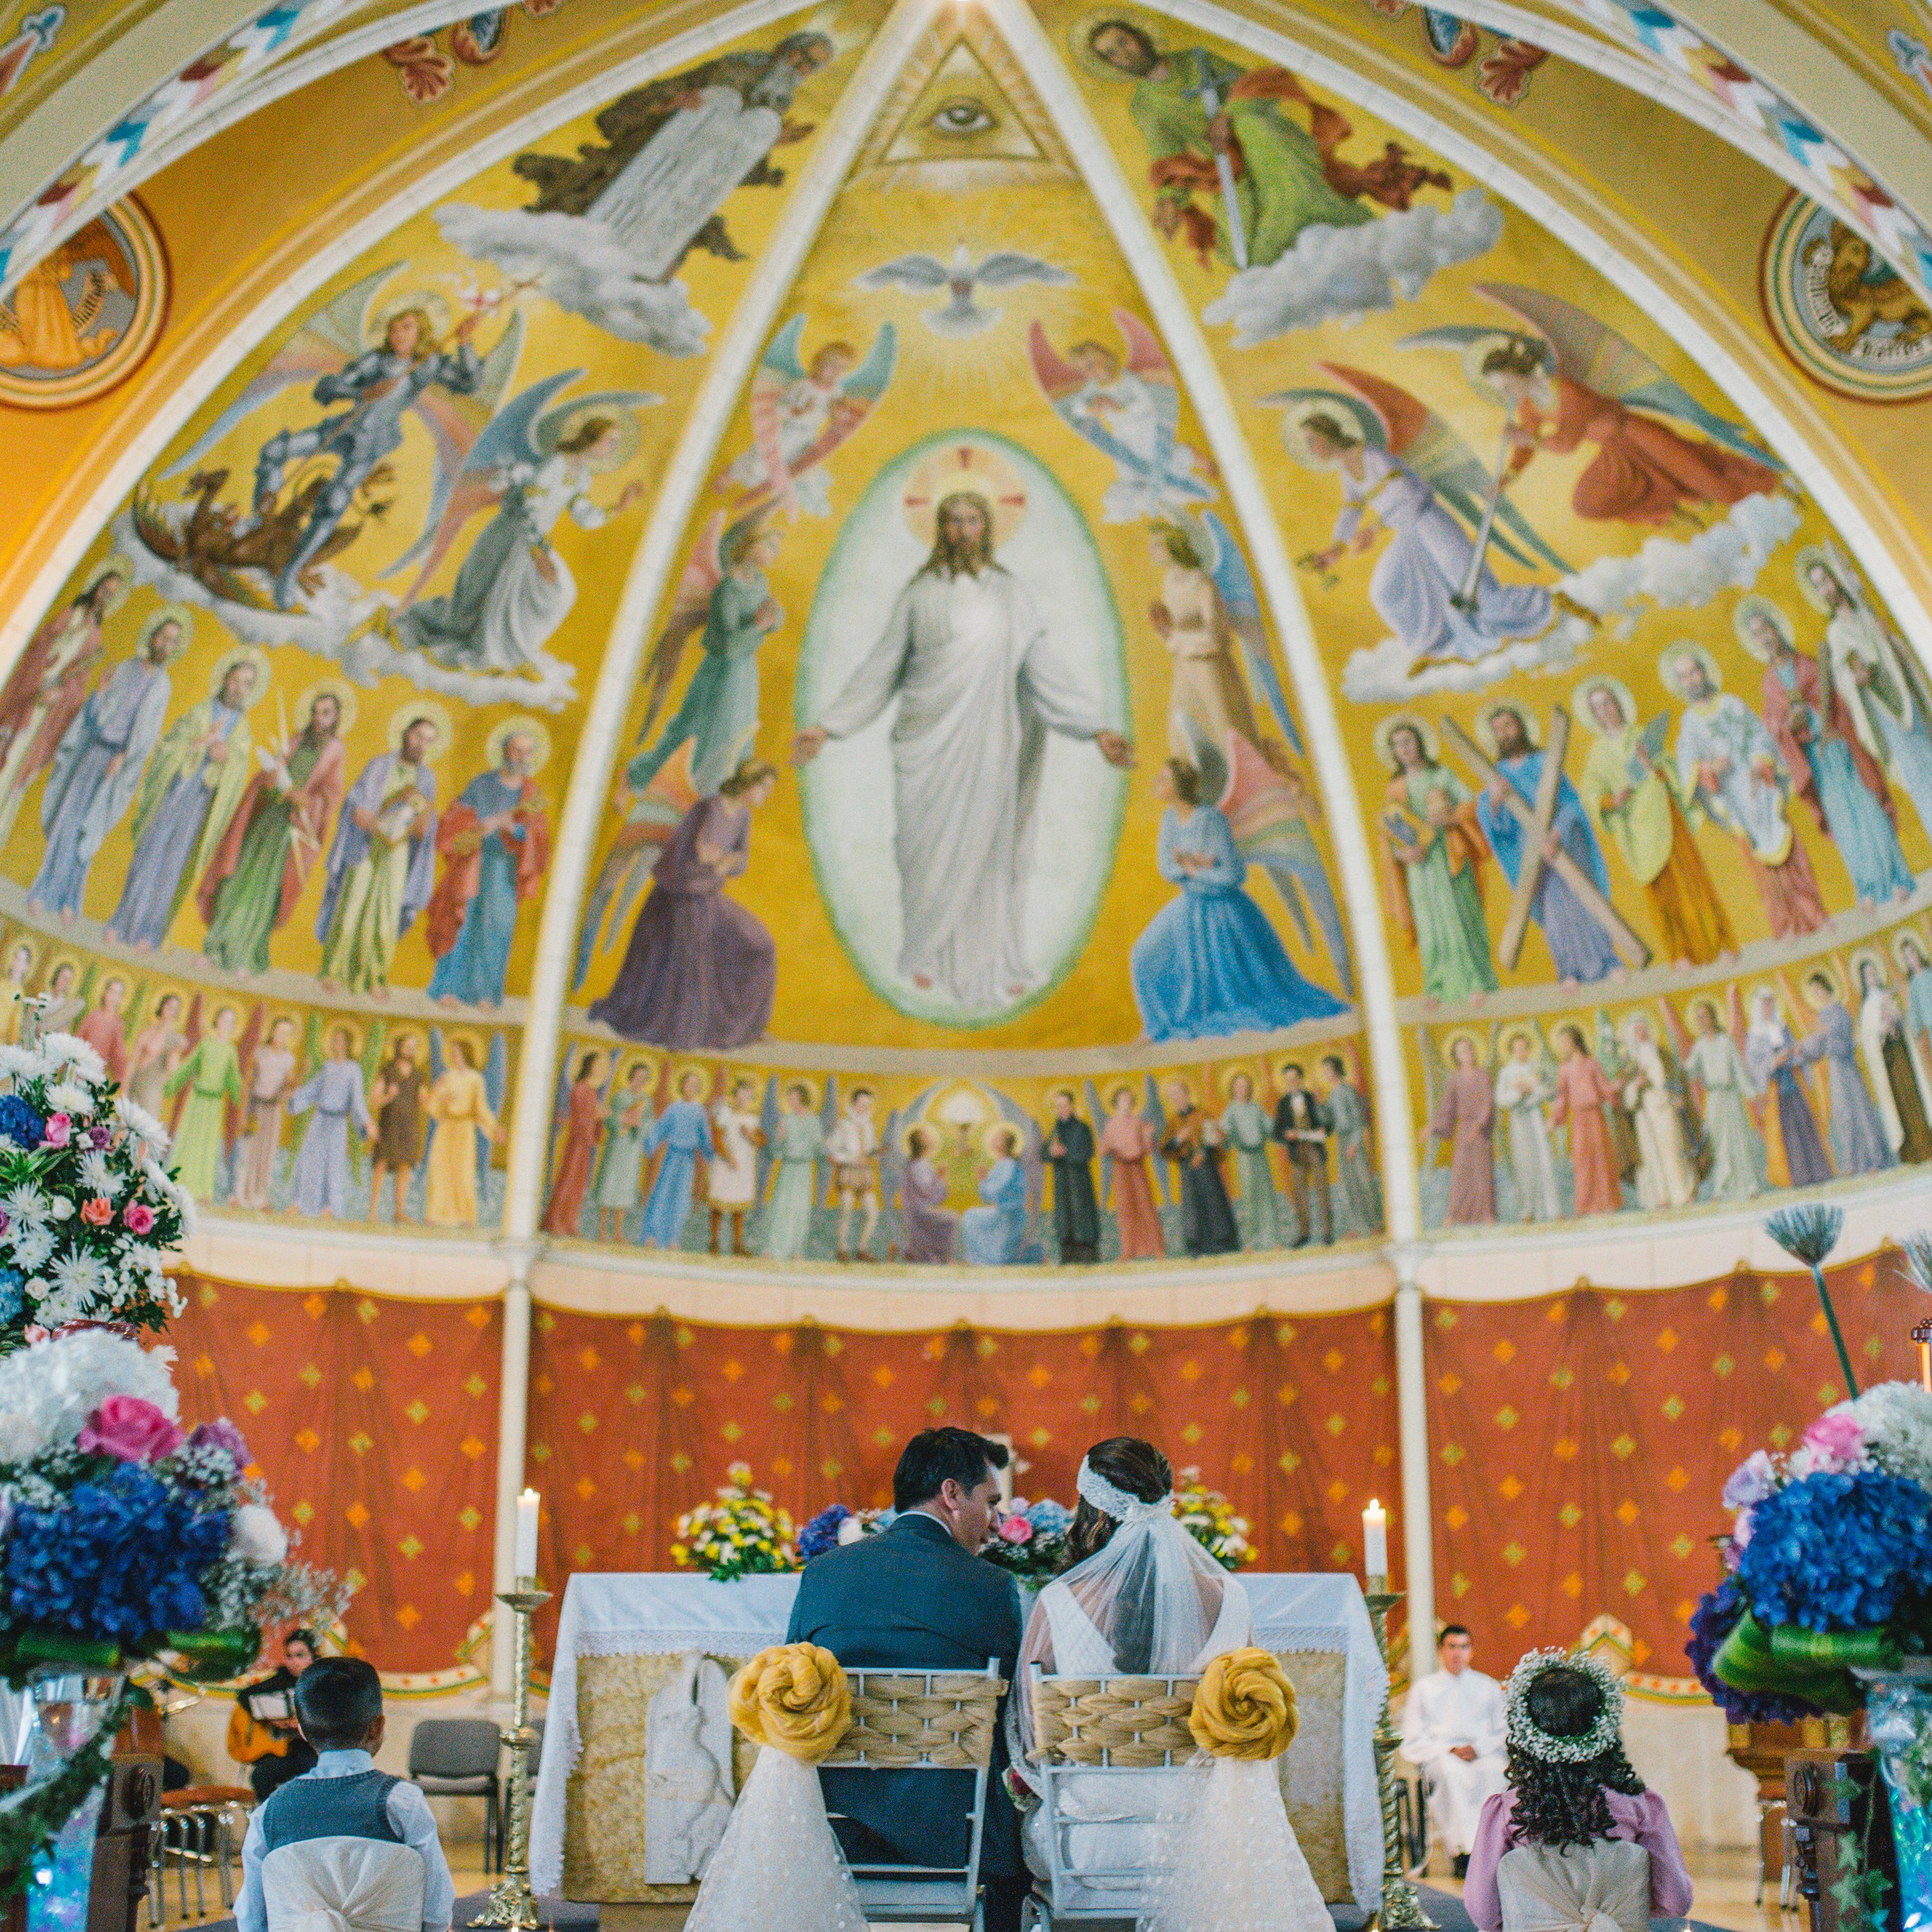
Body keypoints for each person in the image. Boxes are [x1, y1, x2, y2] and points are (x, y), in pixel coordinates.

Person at [794, 491, 1133, 1009]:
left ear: (988, 528)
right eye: (952, 521)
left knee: (988, 851)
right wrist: (828, 727)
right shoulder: (917, 595)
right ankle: (925, 953)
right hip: (926, 745)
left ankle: (993, 960)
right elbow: (881, 667)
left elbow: (1039, 665)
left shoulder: (1011, 594)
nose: (962, 531)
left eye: (972, 521)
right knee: (925, 851)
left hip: (989, 743)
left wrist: (1094, 728)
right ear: (939, 528)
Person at [1010, 1438, 1266, 1912]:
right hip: (1204, 1836)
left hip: (1089, 1843)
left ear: (1095, 1514)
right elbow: (1246, 1721)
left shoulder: (1059, 1603)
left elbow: (1032, 1738)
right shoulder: (1232, 1599)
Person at [787, 1429, 1026, 1932]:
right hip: (957, 1834)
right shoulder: (992, 1587)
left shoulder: (823, 1575)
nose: (997, 1522)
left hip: (839, 1828)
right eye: (991, 1502)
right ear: (952, 1494)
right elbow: (1013, 1719)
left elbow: (794, 1696)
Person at [254, 301, 485, 611]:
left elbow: (470, 384)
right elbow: (327, 389)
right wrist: (363, 393)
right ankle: (261, 519)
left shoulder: (427, 366)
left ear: (422, 334)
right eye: (394, 326)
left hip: (372, 443)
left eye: (406, 327)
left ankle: (290, 572)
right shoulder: (376, 361)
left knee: (334, 501)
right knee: (273, 451)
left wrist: (465, 344)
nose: (397, 332)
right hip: (342, 429)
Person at [1463, 1652, 1691, 1932]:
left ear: (1527, 1732)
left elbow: (1483, 1913)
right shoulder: (1642, 1807)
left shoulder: (1507, 1811)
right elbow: (1676, 1901)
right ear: (1604, 1728)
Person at [233, 1656, 455, 1932]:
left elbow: (251, 1917)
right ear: (377, 1727)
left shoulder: (269, 1812)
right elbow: (437, 1910)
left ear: (301, 1729)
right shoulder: (402, 1802)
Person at [1131, 757, 1345, 1040]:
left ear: (1179, 787)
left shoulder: (1211, 819)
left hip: (1224, 912)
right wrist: (1198, 865)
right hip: (1189, 907)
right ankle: (1157, 1023)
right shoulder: (1169, 819)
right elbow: (1166, 867)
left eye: (1164, 779)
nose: (1157, 783)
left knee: (1233, 987)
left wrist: (1190, 866)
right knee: (1142, 955)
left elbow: (1232, 875)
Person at [588, 760, 777, 1049]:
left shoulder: (743, 817)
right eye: (763, 788)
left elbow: (741, 860)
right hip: (679, 895)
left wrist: (725, 861)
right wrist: (709, 859)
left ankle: (748, 1026)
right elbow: (681, 852)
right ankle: (682, 1031)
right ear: (748, 784)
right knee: (693, 953)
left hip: (708, 894)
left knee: (761, 944)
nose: (766, 795)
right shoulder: (707, 808)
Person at [1743, 598, 1912, 906]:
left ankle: (1897, 878)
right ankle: (1868, 889)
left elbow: (1835, 697)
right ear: (1755, 643)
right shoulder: (1769, 684)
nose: (1765, 637)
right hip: (1815, 761)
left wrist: (1815, 714)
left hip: (1839, 747)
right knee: (1844, 823)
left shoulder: (1807, 663)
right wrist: (1788, 726)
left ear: (1776, 629)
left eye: (1766, 628)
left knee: (1869, 809)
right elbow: (1773, 723)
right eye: (1757, 634)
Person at [29, 610, 183, 919]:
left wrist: (124, 757)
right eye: (163, 636)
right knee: (67, 820)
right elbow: (96, 714)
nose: (165, 644)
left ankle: (69, 901)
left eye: (172, 641)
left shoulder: (162, 686)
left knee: (90, 828)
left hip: (116, 764)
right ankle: (43, 890)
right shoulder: (126, 668)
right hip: (91, 752)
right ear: (152, 637)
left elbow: (147, 733)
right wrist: (99, 693)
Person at [1665, 646, 1826, 940]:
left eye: (1694, 672)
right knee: (1759, 864)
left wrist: (1758, 763)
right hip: (1732, 799)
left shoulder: (1732, 705)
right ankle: (1786, 926)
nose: (1692, 680)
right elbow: (1687, 767)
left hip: (1759, 786)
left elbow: (1760, 736)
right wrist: (1709, 767)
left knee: (1791, 851)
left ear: (1705, 672)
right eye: (1684, 677)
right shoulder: (1690, 723)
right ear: (1681, 684)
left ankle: (1814, 914)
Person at [108, 650, 260, 951]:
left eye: (247, 684)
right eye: (236, 680)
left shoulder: (241, 730)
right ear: (225, 678)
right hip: (176, 792)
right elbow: (170, 745)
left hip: (202, 804)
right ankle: (122, 921)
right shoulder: (202, 712)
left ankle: (149, 933)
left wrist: (226, 758)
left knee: (174, 866)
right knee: (150, 854)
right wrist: (201, 746)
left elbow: (239, 768)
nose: (239, 688)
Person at [1577, 678, 1730, 967]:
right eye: (1598, 708)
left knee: (1693, 882)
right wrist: (1612, 801)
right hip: (1636, 830)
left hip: (1666, 815)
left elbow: (1673, 768)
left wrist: (1655, 768)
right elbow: (1591, 793)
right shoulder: (1598, 753)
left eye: (1608, 702)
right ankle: (1681, 954)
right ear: (1593, 715)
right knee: (1663, 894)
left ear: (1618, 703)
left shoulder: (1643, 735)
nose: (1605, 711)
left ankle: (1718, 944)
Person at [628, 517, 783, 797]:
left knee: (736, 729)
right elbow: (728, 642)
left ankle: (713, 789)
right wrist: (758, 626)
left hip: (744, 670)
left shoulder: (759, 581)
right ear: (749, 545)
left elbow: (773, 611)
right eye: (770, 545)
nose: (776, 552)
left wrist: (772, 619)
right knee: (701, 726)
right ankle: (675, 782)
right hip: (722, 671)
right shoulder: (729, 589)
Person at [201, 688, 348, 977]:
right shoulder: (294, 739)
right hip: (267, 819)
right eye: (316, 711)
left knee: (264, 890)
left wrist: (306, 800)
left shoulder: (335, 751)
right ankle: (215, 945)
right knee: (238, 876)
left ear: (336, 718)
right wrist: (272, 777)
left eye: (326, 713)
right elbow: (266, 777)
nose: (319, 718)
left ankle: (243, 954)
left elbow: (330, 796)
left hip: (291, 830)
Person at [1475, 703, 1619, 986]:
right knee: (1555, 913)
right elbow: (1496, 827)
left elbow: (1572, 803)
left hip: (1565, 844)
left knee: (1585, 900)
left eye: (1508, 726)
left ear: (1521, 727)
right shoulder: (1497, 776)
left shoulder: (1546, 761)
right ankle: (1569, 972)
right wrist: (1494, 803)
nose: (1504, 734)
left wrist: (1557, 832)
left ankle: (1608, 961)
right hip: (1532, 854)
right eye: (1498, 730)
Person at [1804, 548, 1932, 838]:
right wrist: (1855, 678)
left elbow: (1897, 647)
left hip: (1905, 694)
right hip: (1882, 707)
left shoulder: (1866, 611)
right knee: (1918, 777)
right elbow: (1842, 676)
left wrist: (1891, 641)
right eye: (1818, 585)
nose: (1826, 588)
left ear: (1837, 579)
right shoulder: (1836, 632)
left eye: (1826, 579)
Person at [0, 560, 125, 847]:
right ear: (95, 587)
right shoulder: (71, 613)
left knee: (19, 768)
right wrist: (41, 679)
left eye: (112, 595)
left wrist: (63, 694)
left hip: (47, 711)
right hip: (28, 700)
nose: (105, 597)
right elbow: (38, 648)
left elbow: (78, 684)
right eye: (104, 589)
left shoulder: (95, 634)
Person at [426, 724, 552, 1008]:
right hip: (473, 862)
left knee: (496, 928)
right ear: (505, 751)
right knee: (463, 921)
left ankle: (485, 994)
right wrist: (480, 826)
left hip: (505, 868)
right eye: (517, 750)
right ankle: (448, 988)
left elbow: (540, 838)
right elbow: (454, 818)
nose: (522, 757)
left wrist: (515, 831)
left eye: (528, 752)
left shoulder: (532, 794)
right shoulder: (482, 784)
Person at [317, 713, 441, 996]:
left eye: (429, 741)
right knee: (351, 906)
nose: (422, 745)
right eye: (418, 736)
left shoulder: (426, 778)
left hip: (398, 851)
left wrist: (424, 825)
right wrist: (361, 814)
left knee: (387, 913)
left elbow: (427, 818)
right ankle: (334, 972)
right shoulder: (380, 765)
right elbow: (355, 800)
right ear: (406, 733)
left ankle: (375, 977)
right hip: (365, 844)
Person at [1380, 720, 1497, 1003]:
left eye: (1408, 741)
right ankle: (1436, 985)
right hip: (1420, 867)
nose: (1404, 749)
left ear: (1419, 742)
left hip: (1449, 856)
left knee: (1460, 917)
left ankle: (1476, 982)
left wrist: (1451, 817)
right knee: (1429, 923)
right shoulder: (1395, 788)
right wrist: (1402, 854)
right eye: (1397, 744)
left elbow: (1472, 805)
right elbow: (1390, 832)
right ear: (1393, 752)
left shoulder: (1441, 775)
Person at [1401, 1625, 1506, 1878]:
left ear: (1471, 1651)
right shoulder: (1425, 1688)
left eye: (1464, 1647)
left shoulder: (1488, 1686)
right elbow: (1414, 1735)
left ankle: (1489, 1851)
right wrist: (1450, 1748)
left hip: (1482, 1754)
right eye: (1452, 1647)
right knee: (1451, 1775)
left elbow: (1503, 1731)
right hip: (1443, 1755)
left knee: (1495, 1773)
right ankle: (1461, 1853)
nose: (1457, 1653)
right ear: (1441, 1651)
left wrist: (1478, 1748)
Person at [1803, 970, 1893, 1177]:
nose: (1817, 994)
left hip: (1847, 1067)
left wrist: (1826, 1034)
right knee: (1843, 1115)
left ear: (1826, 987)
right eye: (1813, 992)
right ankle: (1854, 1161)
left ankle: (1875, 1160)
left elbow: (1845, 1044)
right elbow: (1818, 1045)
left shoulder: (1839, 1011)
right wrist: (1804, 1049)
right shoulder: (1823, 1015)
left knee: (1860, 1112)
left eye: (1818, 989)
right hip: (1835, 1071)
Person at [1744, 989, 1834, 1190]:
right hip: (1776, 1089)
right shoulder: (1754, 1036)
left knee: (1806, 1126)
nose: (1769, 1007)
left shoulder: (1782, 1027)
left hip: (1794, 1081)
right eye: (1765, 1004)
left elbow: (1796, 1050)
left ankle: (1818, 1172)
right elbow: (1753, 1066)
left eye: (1771, 1003)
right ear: (1758, 1007)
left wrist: (1793, 1053)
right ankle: (1798, 1177)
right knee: (1788, 1134)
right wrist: (1772, 1063)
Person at [288, 1026, 373, 1219]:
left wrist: (366, 1122)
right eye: (335, 1040)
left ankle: (330, 1207)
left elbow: (357, 1100)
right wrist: (295, 1099)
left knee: (333, 1165)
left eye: (341, 1041)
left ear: (348, 1045)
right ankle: (300, 1203)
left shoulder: (353, 1069)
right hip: (319, 1120)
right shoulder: (327, 1067)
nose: (337, 1044)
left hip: (338, 1123)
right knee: (308, 1160)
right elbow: (312, 1090)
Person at [1684, 1001, 1764, 1201]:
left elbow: (1738, 1071)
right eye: (1698, 1018)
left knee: (1738, 1140)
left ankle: (1749, 1186)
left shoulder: (1726, 1041)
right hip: (1714, 1099)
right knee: (1718, 1144)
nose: (1701, 1021)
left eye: (1704, 1016)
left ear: (1712, 1017)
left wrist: (1753, 1094)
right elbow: (1689, 1071)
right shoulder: (1700, 1046)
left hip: (1730, 1097)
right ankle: (1721, 1189)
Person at [228, 1629, 319, 1802]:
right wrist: (272, 1718)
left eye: (300, 1655)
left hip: (310, 1751)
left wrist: (302, 1725)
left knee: (312, 1771)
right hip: (284, 1750)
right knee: (261, 1775)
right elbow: (244, 1695)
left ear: (313, 1656)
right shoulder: (282, 1679)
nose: (294, 1662)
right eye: (289, 1656)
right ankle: (270, 1818)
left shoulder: (320, 1683)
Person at [1619, 1014, 1700, 1211]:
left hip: (1666, 1110)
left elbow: (1677, 1081)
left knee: (1674, 1151)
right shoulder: (1631, 1064)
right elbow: (1627, 1101)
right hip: (1645, 1115)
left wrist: (1675, 1095)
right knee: (1652, 1157)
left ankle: (1683, 1194)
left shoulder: (1663, 1055)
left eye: (1644, 1029)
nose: (1642, 1034)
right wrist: (1636, 1086)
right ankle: (1661, 1197)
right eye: (1637, 1031)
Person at [1856, 955, 1932, 1163]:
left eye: (1874, 973)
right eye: (1868, 975)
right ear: (1863, 980)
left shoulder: (1887, 995)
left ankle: (1928, 1145)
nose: (1873, 978)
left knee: (1915, 1096)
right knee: (1901, 1104)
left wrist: (1896, 1020)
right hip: (1889, 1063)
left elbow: (1904, 1023)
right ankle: (1913, 1152)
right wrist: (1881, 1028)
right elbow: (1868, 1039)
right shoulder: (1867, 1007)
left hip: (1903, 1055)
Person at [165, 1006, 244, 1200]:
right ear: (217, 1020)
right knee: (189, 1140)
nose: (227, 1025)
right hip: (197, 1100)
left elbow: (233, 1078)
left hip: (214, 1104)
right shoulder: (205, 1044)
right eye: (224, 1020)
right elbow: (189, 1066)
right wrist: (171, 1084)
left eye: (231, 1022)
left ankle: (202, 1190)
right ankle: (180, 1182)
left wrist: (239, 1098)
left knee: (208, 1145)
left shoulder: (230, 1051)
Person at [424, 1037, 500, 1227]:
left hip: (465, 1130)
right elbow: (432, 1107)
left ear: (466, 1055)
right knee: (439, 1169)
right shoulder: (446, 1077)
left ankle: (466, 1216)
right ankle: (435, 1214)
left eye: (457, 1053)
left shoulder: (476, 1079)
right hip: (446, 1128)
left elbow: (481, 1108)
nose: (454, 1057)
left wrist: (493, 1128)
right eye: (452, 1054)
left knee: (463, 1171)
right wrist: (438, 1095)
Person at [1162, 1075, 1238, 1256]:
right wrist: (1179, 1139)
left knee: (1214, 1204)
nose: (1177, 1099)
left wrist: (1203, 1153)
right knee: (1193, 1207)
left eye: (1179, 1094)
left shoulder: (1202, 1114)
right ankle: (1197, 1246)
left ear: (1187, 1094)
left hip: (1206, 1166)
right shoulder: (1173, 1122)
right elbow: (1165, 1147)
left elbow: (1217, 1138)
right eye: (1173, 1096)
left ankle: (1222, 1243)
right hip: (1188, 1169)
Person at [233, 1017, 299, 1212]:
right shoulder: (260, 1053)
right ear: (272, 1031)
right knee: (248, 1151)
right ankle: (239, 1195)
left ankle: (260, 1198)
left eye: (287, 1033)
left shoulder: (288, 1059)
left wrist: (292, 1086)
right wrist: (243, 1114)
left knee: (267, 1154)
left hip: (273, 1110)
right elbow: (248, 1083)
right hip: (256, 1106)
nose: (282, 1036)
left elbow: (288, 1088)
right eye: (280, 1031)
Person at [639, 1068, 709, 1249]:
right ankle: (652, 1235)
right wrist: (651, 1144)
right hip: (672, 1156)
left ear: (698, 1088)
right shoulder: (673, 1108)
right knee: (662, 1194)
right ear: (682, 1085)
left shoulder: (699, 1111)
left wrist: (710, 1154)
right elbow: (661, 1128)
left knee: (681, 1199)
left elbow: (705, 1137)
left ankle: (672, 1238)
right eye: (688, 1083)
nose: (691, 1087)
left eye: (695, 1085)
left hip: (688, 1160)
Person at [1431, 1036, 1497, 1225]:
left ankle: (1487, 1214)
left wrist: (1480, 1124)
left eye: (1469, 1049)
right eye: (1462, 1051)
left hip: (1480, 1131)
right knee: (1460, 1172)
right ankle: (1454, 1214)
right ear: (1456, 1056)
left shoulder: (1483, 1075)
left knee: (1482, 1171)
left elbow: (1487, 1102)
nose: (1467, 1053)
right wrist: (1434, 1127)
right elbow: (1447, 1108)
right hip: (1463, 1130)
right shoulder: (1454, 1079)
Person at [1494, 1031, 1559, 1222]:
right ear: (1512, 1051)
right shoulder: (1506, 1072)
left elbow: (1551, 1092)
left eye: (1524, 1048)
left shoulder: (1537, 1068)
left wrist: (1533, 1090)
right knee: (1524, 1163)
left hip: (1537, 1117)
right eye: (1517, 1049)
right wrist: (1518, 1094)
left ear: (1529, 1049)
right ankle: (1527, 1211)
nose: (1521, 1052)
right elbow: (1500, 1099)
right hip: (1519, 1120)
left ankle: (1553, 1210)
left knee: (1545, 1160)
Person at [542, 1051, 605, 1239]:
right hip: (577, 1143)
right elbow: (580, 1118)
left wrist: (598, 1120)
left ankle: (569, 1222)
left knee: (579, 1184)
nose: (602, 1069)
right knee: (568, 1180)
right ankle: (554, 1221)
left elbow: (590, 1117)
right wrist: (596, 1117)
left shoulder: (592, 1091)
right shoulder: (580, 1089)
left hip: (584, 1145)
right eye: (599, 1064)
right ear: (590, 1066)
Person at [1220, 1070, 1284, 1250]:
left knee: (1267, 1196)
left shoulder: (1256, 1108)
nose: (1243, 1090)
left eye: (1246, 1087)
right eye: (1239, 1086)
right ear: (1233, 1089)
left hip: (1260, 1156)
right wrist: (1222, 1138)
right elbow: (1224, 1134)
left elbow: (1270, 1128)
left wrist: (1282, 1125)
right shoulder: (1231, 1110)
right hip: (1245, 1158)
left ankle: (1273, 1239)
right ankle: (1249, 1242)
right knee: (1249, 1199)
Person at [368, 1034, 428, 1223]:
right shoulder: (387, 1070)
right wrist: (388, 1096)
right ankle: (373, 1210)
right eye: (407, 1046)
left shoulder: (418, 1075)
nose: (410, 1050)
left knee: (404, 1167)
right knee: (381, 1165)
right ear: (399, 1048)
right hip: (389, 1125)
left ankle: (399, 1211)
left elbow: (424, 1103)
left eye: (414, 1047)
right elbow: (374, 1102)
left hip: (409, 1126)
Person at [1100, 1085, 1164, 1260]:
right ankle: (1129, 1250)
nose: (1126, 1103)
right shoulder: (1111, 1124)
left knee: (1146, 1205)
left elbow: (1147, 1148)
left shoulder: (1138, 1123)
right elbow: (1103, 1149)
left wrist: (1148, 1136)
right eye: (1122, 1100)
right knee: (1125, 1209)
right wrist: (1112, 1147)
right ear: (1116, 1103)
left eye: (1129, 1100)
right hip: (1120, 1168)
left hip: (1137, 1167)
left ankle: (1158, 1248)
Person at [961, 1124, 1039, 1266]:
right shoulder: (1002, 1164)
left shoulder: (1008, 1165)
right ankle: (977, 1258)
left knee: (970, 1217)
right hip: (1004, 1211)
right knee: (971, 1216)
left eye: (998, 1138)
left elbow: (995, 1192)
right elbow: (987, 1196)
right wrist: (984, 1180)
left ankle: (978, 1258)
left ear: (1005, 1144)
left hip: (1010, 1215)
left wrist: (984, 1180)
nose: (993, 1140)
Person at [1271, 1062, 1331, 1246]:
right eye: (1288, 1080)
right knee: (1300, 1193)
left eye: (1295, 1079)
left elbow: (1327, 1123)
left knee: (1322, 1191)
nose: (1292, 1083)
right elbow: (1276, 1132)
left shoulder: (1312, 1098)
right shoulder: (1283, 1103)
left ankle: (1327, 1233)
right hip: (1296, 1152)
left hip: (1315, 1149)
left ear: (1301, 1079)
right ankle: (1304, 1233)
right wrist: (1286, 1134)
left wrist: (1323, 1124)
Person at [762, 1081, 823, 1261]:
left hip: (804, 1171)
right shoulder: (785, 1120)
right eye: (789, 1097)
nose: (790, 1100)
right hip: (787, 1169)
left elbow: (818, 1148)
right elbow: (775, 1153)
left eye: (793, 1097)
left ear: (802, 1099)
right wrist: (779, 1139)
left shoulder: (814, 1121)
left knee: (800, 1209)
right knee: (781, 1207)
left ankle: (796, 1250)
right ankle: (772, 1248)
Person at [595, 1060, 654, 1243]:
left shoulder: (646, 1101)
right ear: (631, 1078)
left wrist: (640, 1125)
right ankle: (603, 1231)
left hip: (632, 1149)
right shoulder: (620, 1097)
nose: (640, 1082)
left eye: (644, 1079)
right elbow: (609, 1120)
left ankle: (618, 1232)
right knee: (609, 1186)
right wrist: (623, 1119)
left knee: (625, 1189)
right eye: (637, 1078)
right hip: (617, 1147)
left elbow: (649, 1124)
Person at [1321, 1055, 1381, 1235]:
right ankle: (1356, 1226)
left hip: (1353, 1141)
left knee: (1364, 1182)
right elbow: (1329, 1120)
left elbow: (1358, 1120)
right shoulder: (1333, 1094)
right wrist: (1319, 1106)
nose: (1325, 1073)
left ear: (1335, 1070)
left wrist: (1355, 1144)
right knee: (1348, 1186)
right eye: (1324, 1070)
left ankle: (1376, 1224)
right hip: (1341, 1142)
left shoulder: (1348, 1091)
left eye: (1327, 1069)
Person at [1041, 1091, 1100, 1264]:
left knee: (1082, 1215)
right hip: (1062, 1181)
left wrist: (1065, 1153)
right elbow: (1043, 1154)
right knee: (1064, 1217)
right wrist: (1051, 1152)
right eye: (1058, 1106)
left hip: (1079, 1181)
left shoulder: (1082, 1128)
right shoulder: (1055, 1128)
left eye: (1064, 1105)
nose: (1061, 1109)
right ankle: (1068, 1256)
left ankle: (1088, 1257)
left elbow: (1087, 1152)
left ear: (1072, 1106)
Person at [707, 1075, 761, 1256]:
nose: (744, 1097)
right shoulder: (725, 1112)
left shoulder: (753, 1116)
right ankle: (714, 1241)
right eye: (741, 1093)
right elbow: (716, 1137)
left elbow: (761, 1140)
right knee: (719, 1203)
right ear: (735, 1094)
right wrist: (728, 1156)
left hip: (744, 1165)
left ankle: (737, 1244)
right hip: (726, 1163)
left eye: (747, 1094)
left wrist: (750, 1136)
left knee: (739, 1206)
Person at [825, 1087, 881, 1263]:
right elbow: (831, 1152)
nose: (864, 1108)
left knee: (872, 1212)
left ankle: (862, 1248)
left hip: (865, 1173)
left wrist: (876, 1153)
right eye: (862, 1104)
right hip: (848, 1171)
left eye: (868, 1105)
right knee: (846, 1209)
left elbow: (872, 1149)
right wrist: (850, 1158)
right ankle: (842, 1248)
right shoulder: (844, 1125)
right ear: (854, 1103)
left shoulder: (869, 1126)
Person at [898, 1124, 958, 1265]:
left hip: (920, 1209)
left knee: (948, 1217)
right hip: (919, 1211)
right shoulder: (918, 1165)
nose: (931, 1138)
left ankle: (934, 1255)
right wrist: (940, 1179)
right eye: (926, 1137)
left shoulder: (922, 1163)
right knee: (951, 1218)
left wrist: (938, 1179)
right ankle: (943, 1258)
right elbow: (928, 1193)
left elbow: (931, 1192)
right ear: (922, 1144)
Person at [127, 991, 186, 1118]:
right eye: (169, 1007)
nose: (171, 1011)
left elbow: (171, 1070)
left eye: (176, 1009)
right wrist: (124, 1089)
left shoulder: (174, 1040)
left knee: (146, 1127)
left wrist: (175, 1051)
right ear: (162, 1007)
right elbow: (132, 1062)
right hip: (136, 1083)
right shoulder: (147, 1032)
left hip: (153, 1090)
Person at [75, 977, 129, 1087]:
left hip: (97, 1072)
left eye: (118, 994)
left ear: (121, 998)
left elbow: (118, 1053)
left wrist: (121, 1078)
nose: (114, 997)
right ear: (105, 993)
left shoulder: (117, 1024)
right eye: (112, 992)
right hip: (80, 1068)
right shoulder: (92, 1016)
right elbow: (78, 1039)